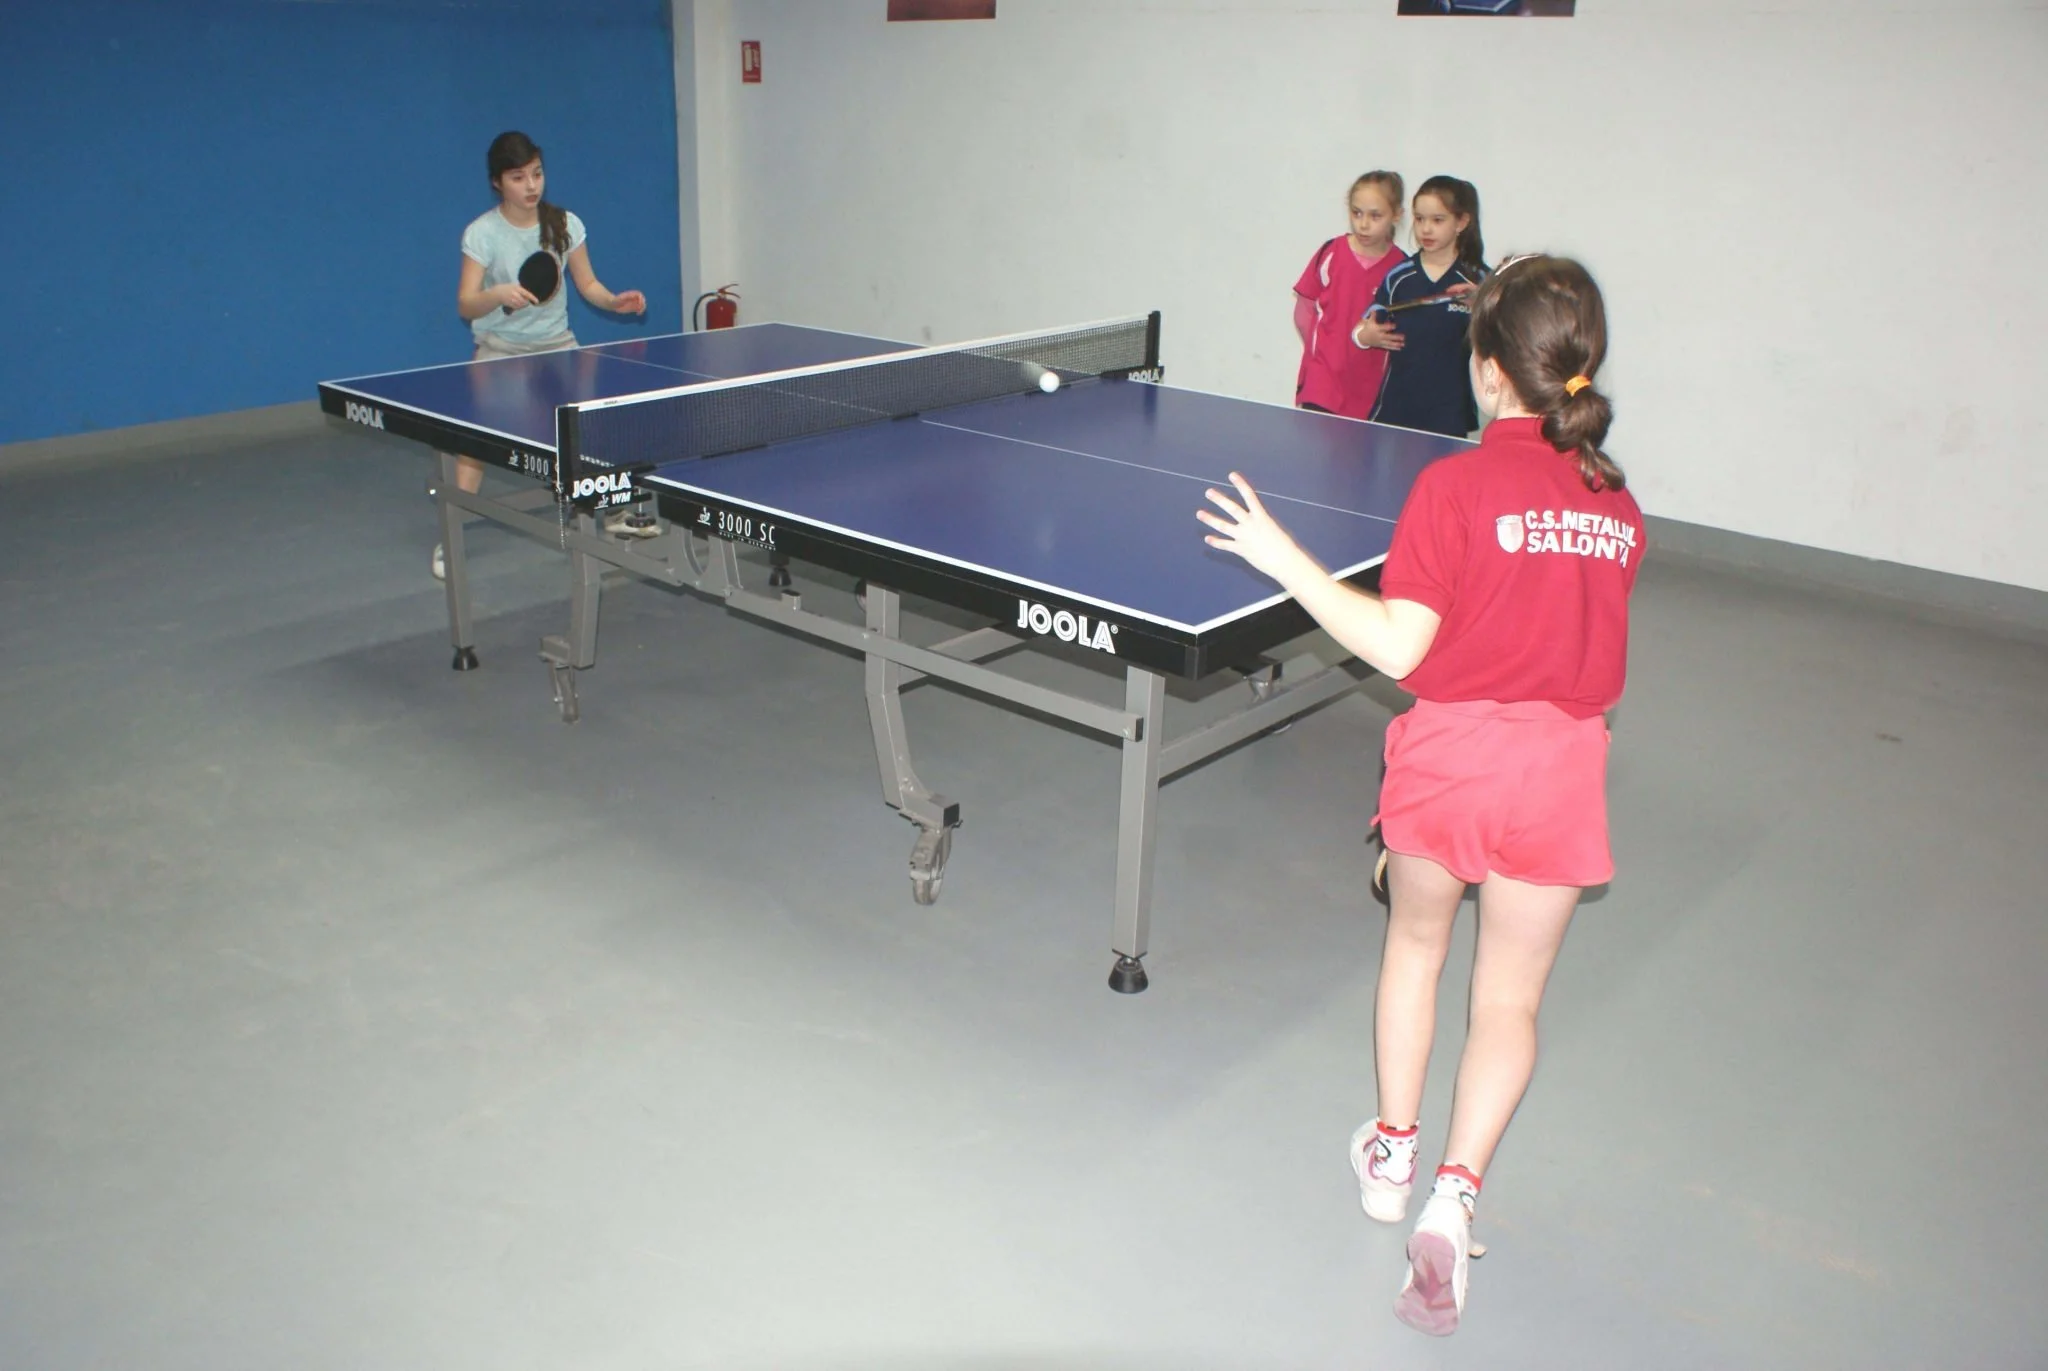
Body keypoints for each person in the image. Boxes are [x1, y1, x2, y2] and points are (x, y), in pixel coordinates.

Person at [1197, 256, 1642, 1337]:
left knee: (1415, 949)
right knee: (1509, 1004)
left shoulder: (1452, 486)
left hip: (1450, 760)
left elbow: (1401, 647)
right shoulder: (1617, 503)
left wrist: (1286, 560)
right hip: (1560, 771)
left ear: (1485, 370)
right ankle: (1453, 1196)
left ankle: (1390, 1158)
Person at [432, 130, 648, 580]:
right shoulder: (482, 233)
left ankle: (612, 512)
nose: (531, 185)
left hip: (558, 349)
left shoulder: (563, 224)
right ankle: (450, 537)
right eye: (518, 177)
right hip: (500, 352)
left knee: (590, 432)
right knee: (472, 448)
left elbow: (588, 284)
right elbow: (466, 304)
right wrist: (497, 293)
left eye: (537, 173)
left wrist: (614, 302)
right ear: (497, 182)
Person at [1356, 176, 1488, 438]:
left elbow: (1503, 340)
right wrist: (1365, 336)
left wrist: (1482, 306)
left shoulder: (1479, 281)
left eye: (1437, 220)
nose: (1426, 229)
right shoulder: (1399, 276)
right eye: (1419, 219)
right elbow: (1363, 326)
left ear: (1461, 222)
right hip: (1396, 407)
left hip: (1449, 412)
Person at [1293, 172, 1408, 419]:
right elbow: (1304, 313)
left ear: (1396, 215)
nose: (1363, 224)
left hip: (1369, 392)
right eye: (1357, 213)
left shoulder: (1402, 270)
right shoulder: (1330, 253)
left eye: (1375, 216)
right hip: (1322, 386)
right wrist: (1324, 354)